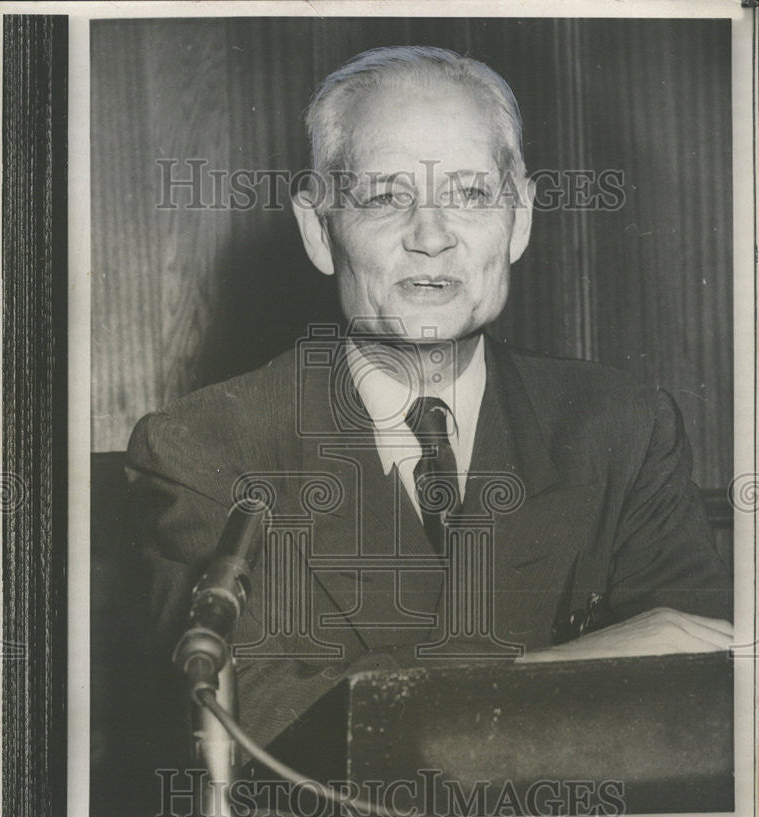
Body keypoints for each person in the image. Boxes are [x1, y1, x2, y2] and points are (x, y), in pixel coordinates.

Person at [126, 46, 732, 756]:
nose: (433, 237)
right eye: (386, 197)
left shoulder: (623, 429)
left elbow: (707, 702)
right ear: (320, 231)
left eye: (471, 194)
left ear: (522, 220)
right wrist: (576, 666)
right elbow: (259, 727)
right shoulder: (205, 449)